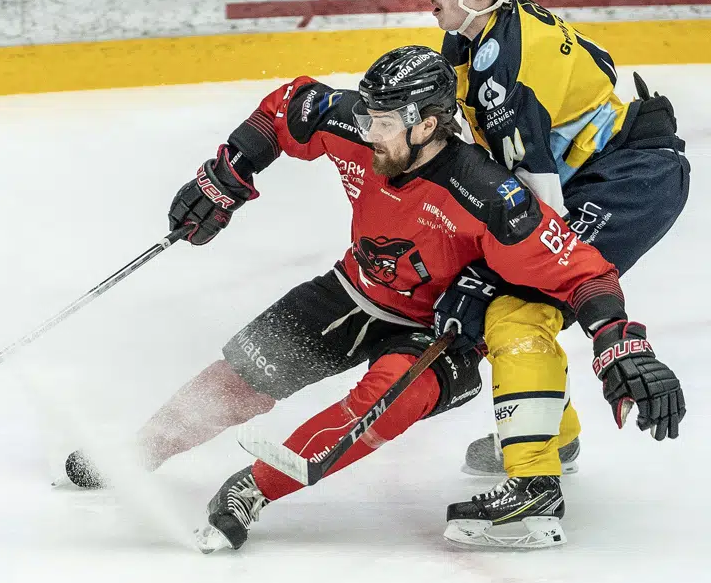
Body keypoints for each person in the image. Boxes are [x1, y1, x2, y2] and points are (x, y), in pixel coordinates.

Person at [63, 47, 684, 553]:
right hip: (356, 289)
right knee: (245, 372)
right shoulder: (361, 124)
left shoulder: (491, 196)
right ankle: (136, 453)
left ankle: (251, 490)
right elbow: (287, 108)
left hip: (442, 333)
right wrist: (227, 174)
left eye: (384, 122)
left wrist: (620, 346)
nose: (367, 130)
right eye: (368, 116)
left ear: (428, 124)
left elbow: (584, 274)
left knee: (379, 401)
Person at [419, 0, 690, 490]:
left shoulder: (504, 73)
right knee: (485, 285)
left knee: (509, 299)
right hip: (612, 162)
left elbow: (540, 215)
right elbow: (600, 64)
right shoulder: (475, 34)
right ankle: (551, 426)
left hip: (629, 178)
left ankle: (537, 469)